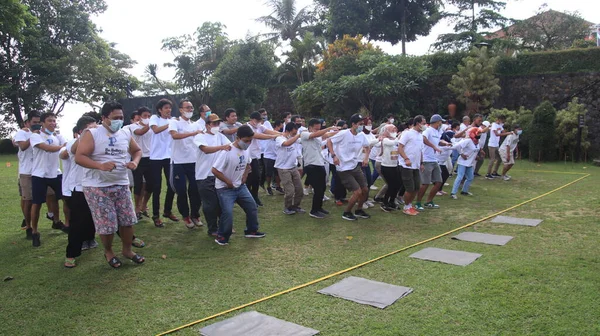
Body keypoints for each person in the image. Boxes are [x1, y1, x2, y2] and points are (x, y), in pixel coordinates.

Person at [75, 101, 144, 268]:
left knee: (128, 220)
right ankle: (109, 252)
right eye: (115, 118)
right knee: (107, 224)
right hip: (97, 186)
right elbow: (80, 156)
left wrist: (135, 162)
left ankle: (127, 250)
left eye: (121, 117)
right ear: (104, 118)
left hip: (121, 183)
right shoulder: (92, 133)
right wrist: (100, 165)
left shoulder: (125, 133)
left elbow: (137, 151)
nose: (119, 121)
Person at [212, 125, 266, 245]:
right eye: (246, 141)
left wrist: (245, 175)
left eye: (250, 140)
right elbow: (215, 170)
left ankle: (251, 230)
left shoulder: (246, 150)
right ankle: (222, 236)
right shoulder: (227, 151)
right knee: (228, 213)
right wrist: (228, 182)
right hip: (225, 189)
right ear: (238, 138)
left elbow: (248, 163)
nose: (248, 143)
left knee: (252, 207)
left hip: (240, 187)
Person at [62, 116, 98, 268]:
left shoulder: (98, 141)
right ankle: (71, 254)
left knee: (94, 217)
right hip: (79, 187)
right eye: (91, 128)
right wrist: (87, 134)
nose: (96, 131)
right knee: (77, 222)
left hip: (96, 184)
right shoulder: (73, 142)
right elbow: (71, 151)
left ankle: (90, 239)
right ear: (82, 131)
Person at [29, 112, 67, 247]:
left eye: (54, 121)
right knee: (37, 203)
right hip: (39, 174)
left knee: (65, 199)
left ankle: (64, 224)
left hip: (56, 173)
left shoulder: (58, 136)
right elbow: (46, 148)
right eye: (49, 121)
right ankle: (34, 232)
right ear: (43, 123)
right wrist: (62, 147)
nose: (52, 123)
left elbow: (67, 148)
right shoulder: (36, 136)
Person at [327, 113, 371, 221]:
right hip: (343, 168)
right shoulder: (343, 134)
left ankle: (359, 210)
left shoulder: (362, 135)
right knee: (357, 192)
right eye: (360, 124)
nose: (362, 126)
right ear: (353, 124)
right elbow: (329, 141)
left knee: (365, 189)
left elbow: (367, 147)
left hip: (355, 166)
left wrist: (366, 158)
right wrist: (334, 156)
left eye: (362, 124)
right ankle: (347, 212)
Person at [194, 114, 232, 237]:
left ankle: (223, 226)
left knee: (222, 202)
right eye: (214, 123)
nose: (216, 126)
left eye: (218, 123)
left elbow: (230, 147)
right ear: (207, 125)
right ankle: (212, 228)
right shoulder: (200, 136)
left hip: (217, 174)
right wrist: (222, 147)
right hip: (204, 176)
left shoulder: (220, 136)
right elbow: (205, 149)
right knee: (211, 204)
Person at [169, 99, 203, 229]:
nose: (190, 110)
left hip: (193, 161)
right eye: (187, 107)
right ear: (181, 109)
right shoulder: (174, 122)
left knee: (195, 189)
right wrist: (193, 133)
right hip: (178, 162)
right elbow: (175, 135)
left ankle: (195, 214)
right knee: (181, 190)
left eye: (191, 107)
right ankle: (185, 216)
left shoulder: (196, 124)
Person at [301, 119, 339, 218]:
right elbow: (317, 135)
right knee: (317, 188)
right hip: (311, 165)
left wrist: (341, 132)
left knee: (322, 187)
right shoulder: (304, 134)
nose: (317, 130)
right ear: (310, 127)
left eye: (319, 128)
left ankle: (319, 208)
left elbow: (326, 135)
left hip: (319, 164)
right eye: (315, 128)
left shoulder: (318, 137)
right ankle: (314, 210)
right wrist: (329, 128)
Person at [149, 98, 177, 227]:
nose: (168, 110)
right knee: (157, 187)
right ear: (160, 110)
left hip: (169, 156)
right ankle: (156, 216)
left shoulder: (172, 120)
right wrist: (170, 124)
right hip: (156, 157)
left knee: (172, 185)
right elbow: (155, 130)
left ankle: (167, 210)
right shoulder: (155, 118)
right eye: (166, 108)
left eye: (169, 108)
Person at [14, 112, 41, 238]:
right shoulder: (23, 133)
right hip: (26, 172)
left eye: (38, 122)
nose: (37, 125)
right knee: (28, 200)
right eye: (34, 122)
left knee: (44, 198)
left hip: (39, 171)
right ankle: (28, 227)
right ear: (28, 122)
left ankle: (54, 218)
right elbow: (23, 147)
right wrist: (33, 135)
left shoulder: (42, 132)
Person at [415, 114, 450, 211]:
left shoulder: (437, 131)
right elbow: (424, 139)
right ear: (437, 122)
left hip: (434, 160)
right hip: (426, 160)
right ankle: (418, 202)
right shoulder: (428, 130)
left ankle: (429, 201)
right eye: (440, 122)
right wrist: (434, 147)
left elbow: (437, 141)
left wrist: (445, 143)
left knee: (438, 182)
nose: (441, 123)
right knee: (425, 183)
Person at [246, 111, 280, 206]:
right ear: (252, 120)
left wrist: (281, 134)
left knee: (257, 178)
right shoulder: (247, 127)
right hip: (247, 156)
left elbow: (269, 131)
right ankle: (248, 199)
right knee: (249, 179)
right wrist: (273, 136)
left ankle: (255, 196)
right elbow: (258, 136)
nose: (259, 123)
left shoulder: (259, 126)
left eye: (260, 121)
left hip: (255, 156)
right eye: (257, 121)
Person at [397, 116, 426, 216]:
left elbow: (420, 150)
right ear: (417, 123)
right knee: (410, 188)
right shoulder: (407, 133)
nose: (424, 125)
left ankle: (409, 205)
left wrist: (421, 163)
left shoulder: (420, 135)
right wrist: (406, 158)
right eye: (423, 123)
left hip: (416, 166)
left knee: (416, 187)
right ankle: (406, 207)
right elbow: (400, 148)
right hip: (406, 166)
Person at [274, 123, 305, 215]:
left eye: (296, 133)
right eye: (294, 132)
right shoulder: (280, 138)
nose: (295, 134)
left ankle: (295, 206)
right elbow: (287, 144)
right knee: (290, 191)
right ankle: (287, 207)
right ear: (288, 131)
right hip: (283, 168)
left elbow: (304, 140)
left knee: (299, 189)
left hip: (293, 167)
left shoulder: (294, 138)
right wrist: (298, 136)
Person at [129, 107, 153, 218]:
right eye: (145, 116)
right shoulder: (133, 126)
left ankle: (144, 205)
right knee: (138, 184)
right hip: (137, 158)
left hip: (150, 158)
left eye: (149, 116)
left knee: (151, 184)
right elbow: (140, 132)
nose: (147, 118)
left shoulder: (152, 127)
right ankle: (137, 208)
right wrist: (151, 124)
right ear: (139, 116)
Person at [451, 128, 481, 199]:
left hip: (470, 163)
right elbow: (458, 146)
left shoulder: (477, 142)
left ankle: (464, 191)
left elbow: (475, 150)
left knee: (470, 177)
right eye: (478, 133)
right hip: (463, 162)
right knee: (460, 177)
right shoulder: (468, 141)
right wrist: (461, 154)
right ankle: (453, 193)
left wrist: (477, 155)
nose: (479, 135)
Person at [379, 124, 402, 212]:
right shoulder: (385, 140)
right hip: (386, 166)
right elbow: (393, 143)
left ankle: (392, 201)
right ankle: (385, 202)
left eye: (395, 130)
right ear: (386, 131)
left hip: (394, 165)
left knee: (398, 184)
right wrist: (400, 136)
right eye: (392, 130)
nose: (394, 132)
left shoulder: (394, 139)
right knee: (391, 185)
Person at [436, 121, 460, 195]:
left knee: (445, 174)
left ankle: (439, 189)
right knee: (443, 175)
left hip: (441, 162)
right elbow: (455, 146)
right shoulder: (445, 145)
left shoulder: (447, 143)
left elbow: (455, 143)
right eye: (452, 137)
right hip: (437, 162)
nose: (453, 138)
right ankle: (437, 190)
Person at [263, 120, 283, 196]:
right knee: (269, 173)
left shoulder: (281, 135)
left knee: (278, 173)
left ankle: (278, 186)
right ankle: (268, 187)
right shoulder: (271, 133)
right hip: (269, 156)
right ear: (277, 126)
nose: (282, 128)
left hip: (277, 156)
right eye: (281, 126)